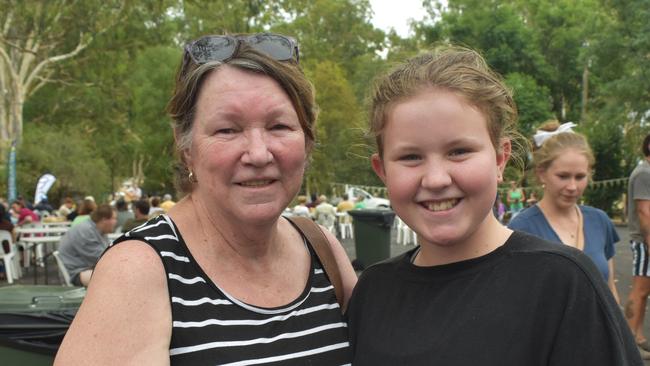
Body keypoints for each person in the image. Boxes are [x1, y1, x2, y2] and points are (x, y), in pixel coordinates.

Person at [55, 32, 356, 365]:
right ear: (186, 148)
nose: (258, 153)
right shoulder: (138, 271)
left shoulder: (321, 248)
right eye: (227, 129)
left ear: (307, 140)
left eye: (279, 126)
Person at [345, 46, 642, 365]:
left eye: (459, 151)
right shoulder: (373, 291)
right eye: (410, 157)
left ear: (500, 158)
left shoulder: (562, 283)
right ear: (383, 171)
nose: (435, 179)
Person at [508, 120, 621, 304]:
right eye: (563, 176)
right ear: (541, 173)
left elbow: (610, 289)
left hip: (598, 332)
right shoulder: (521, 228)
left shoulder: (599, 221)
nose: (572, 186)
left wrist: (619, 331)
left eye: (580, 177)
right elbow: (516, 300)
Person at [625, 133, 650, 356]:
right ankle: (629, 341)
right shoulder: (644, 173)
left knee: (644, 290)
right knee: (640, 290)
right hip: (645, 241)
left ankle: (638, 336)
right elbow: (644, 211)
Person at [57, 204, 117, 287]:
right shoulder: (86, 231)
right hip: (76, 273)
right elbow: (102, 258)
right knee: (116, 278)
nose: (116, 221)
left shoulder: (98, 229)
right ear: (104, 220)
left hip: (85, 268)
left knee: (120, 274)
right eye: (114, 218)